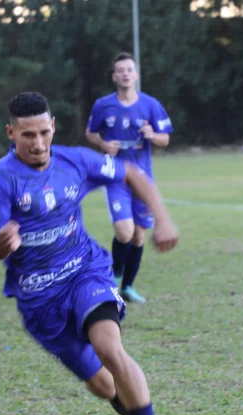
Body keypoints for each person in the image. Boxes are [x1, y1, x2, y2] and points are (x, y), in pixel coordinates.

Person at [0, 92, 178, 415]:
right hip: (40, 301)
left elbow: (132, 173)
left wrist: (163, 219)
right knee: (103, 386)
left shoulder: (73, 160)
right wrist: (0, 243)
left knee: (109, 346)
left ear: (53, 127)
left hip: (85, 271)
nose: (37, 143)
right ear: (11, 133)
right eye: (27, 135)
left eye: (44, 132)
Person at [85, 52, 173, 303]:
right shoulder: (103, 105)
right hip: (116, 176)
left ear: (136, 74)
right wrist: (103, 143)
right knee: (124, 231)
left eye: (129, 69)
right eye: (120, 70)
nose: (125, 73)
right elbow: (90, 133)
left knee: (138, 235)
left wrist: (151, 135)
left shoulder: (150, 105)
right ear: (114, 76)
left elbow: (165, 139)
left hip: (143, 179)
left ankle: (128, 287)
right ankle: (112, 278)